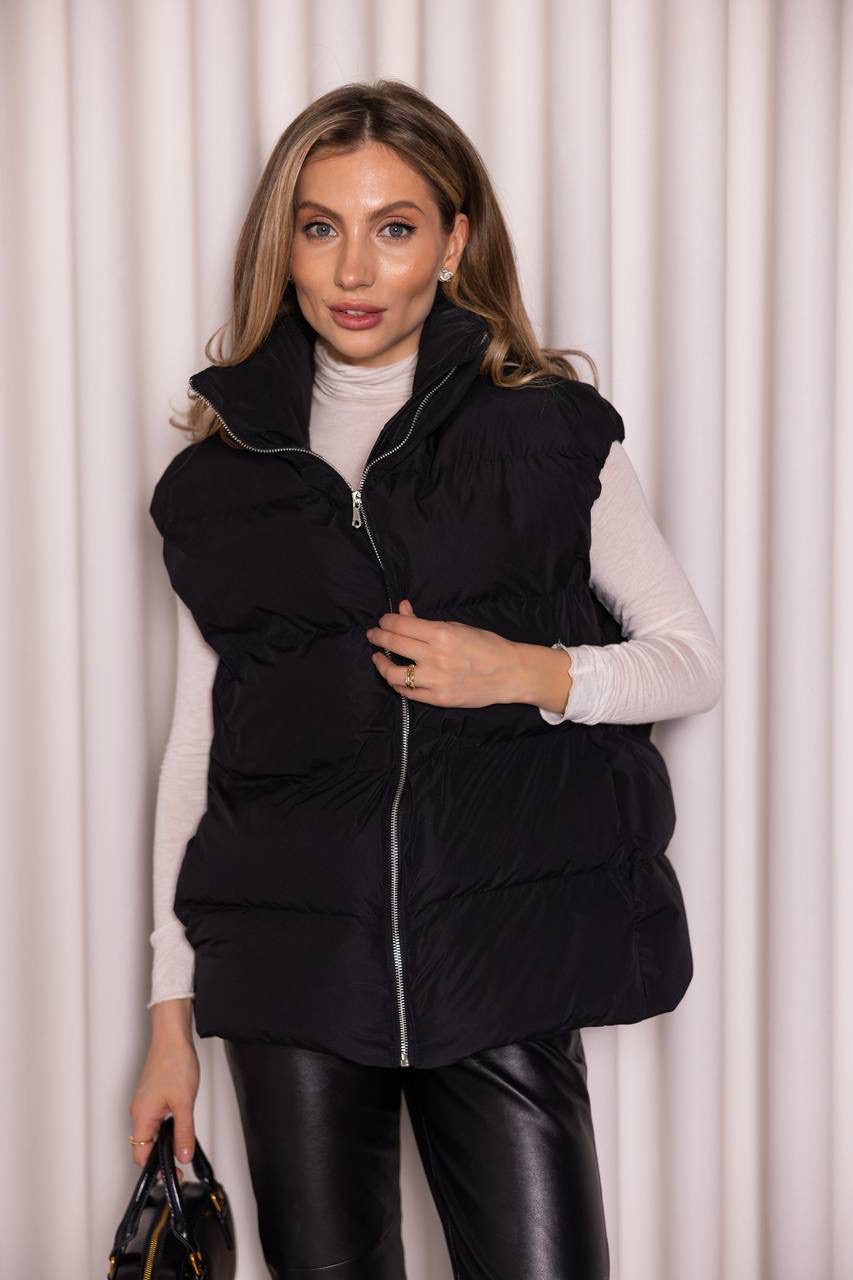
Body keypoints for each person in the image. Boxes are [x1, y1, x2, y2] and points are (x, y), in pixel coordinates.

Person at [130, 79, 722, 1279]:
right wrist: (169, 1020)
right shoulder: (221, 478)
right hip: (293, 972)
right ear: (284, 246)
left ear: (453, 243)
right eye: (320, 226)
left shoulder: (547, 434)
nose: (354, 268)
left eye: (393, 227)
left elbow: (686, 658)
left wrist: (521, 668)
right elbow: (200, 745)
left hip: (498, 958)